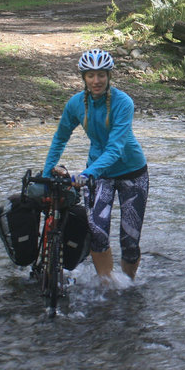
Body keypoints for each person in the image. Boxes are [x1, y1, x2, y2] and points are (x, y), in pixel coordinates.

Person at [42, 49, 149, 282]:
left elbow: (115, 149)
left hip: (132, 171)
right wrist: (45, 173)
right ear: (84, 78)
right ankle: (108, 288)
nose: (96, 81)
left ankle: (128, 286)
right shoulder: (75, 104)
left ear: (109, 76)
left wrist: (87, 172)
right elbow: (60, 138)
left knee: (130, 242)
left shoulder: (123, 103)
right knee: (98, 233)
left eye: (101, 75)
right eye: (90, 75)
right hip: (98, 174)